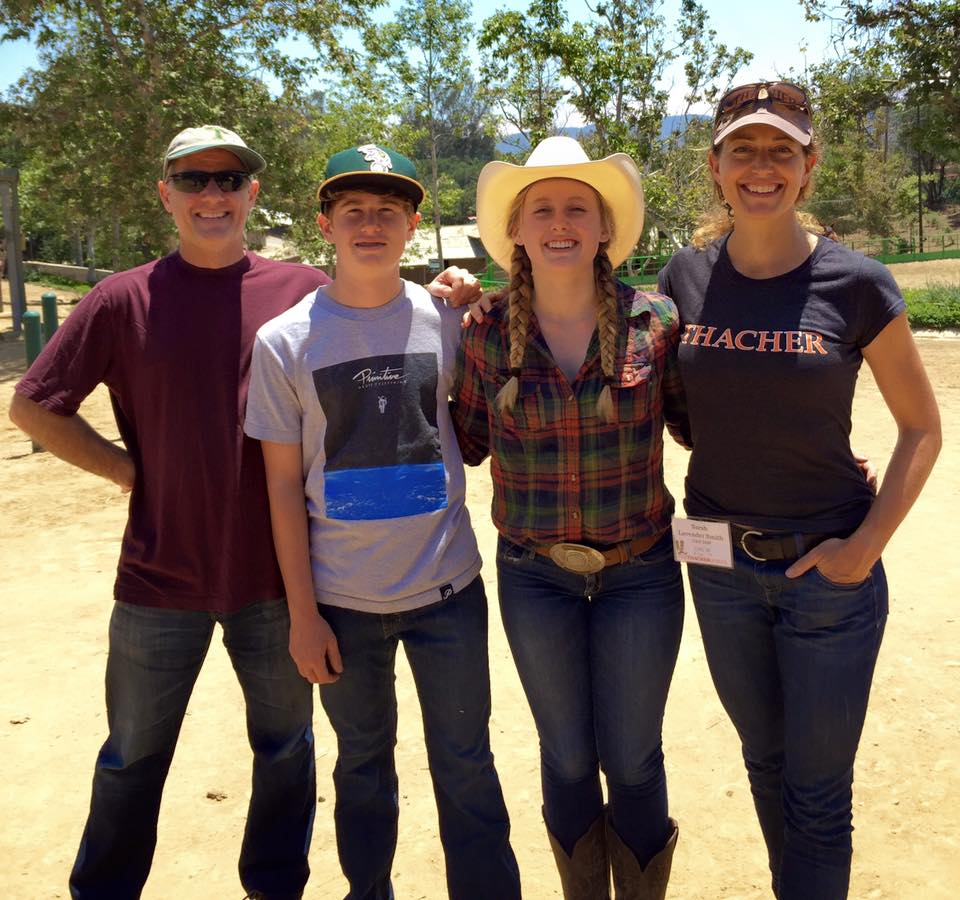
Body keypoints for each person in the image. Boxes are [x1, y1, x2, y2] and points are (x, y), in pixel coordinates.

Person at [9, 125, 480, 900]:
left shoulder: (296, 288)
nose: (213, 195)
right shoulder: (123, 297)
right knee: (132, 754)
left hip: (274, 579)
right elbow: (35, 409)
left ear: (252, 195)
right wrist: (130, 472)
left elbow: (374, 304)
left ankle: (274, 888)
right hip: (158, 576)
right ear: (166, 194)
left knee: (286, 749)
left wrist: (456, 293)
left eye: (229, 181)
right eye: (193, 181)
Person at [657, 81, 941, 899]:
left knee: (817, 793)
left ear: (808, 168)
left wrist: (864, 548)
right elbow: (652, 381)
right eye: (742, 150)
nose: (761, 167)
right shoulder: (685, 274)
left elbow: (922, 428)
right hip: (718, 571)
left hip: (829, 578)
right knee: (763, 761)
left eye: (781, 150)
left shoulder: (856, 284)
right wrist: (470, 300)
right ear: (715, 167)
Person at [243, 144, 521, 900]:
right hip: (343, 608)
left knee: (466, 762)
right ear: (325, 224)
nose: (372, 225)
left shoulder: (445, 319)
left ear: (412, 224)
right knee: (362, 768)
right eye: (355, 211)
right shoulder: (285, 342)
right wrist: (304, 615)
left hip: (448, 596)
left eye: (389, 212)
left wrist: (468, 292)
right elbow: (278, 488)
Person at [452, 136, 690, 899]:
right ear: (517, 230)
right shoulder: (483, 332)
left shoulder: (655, 322)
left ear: (604, 229)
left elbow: (706, 427)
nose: (561, 222)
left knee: (634, 758)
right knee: (563, 755)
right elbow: (465, 442)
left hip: (641, 573)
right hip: (535, 577)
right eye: (542, 209)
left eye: (577, 207)